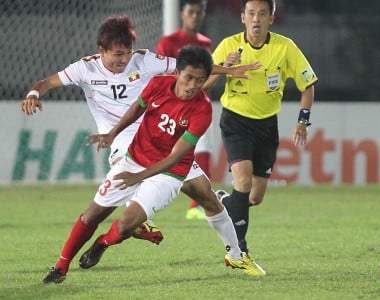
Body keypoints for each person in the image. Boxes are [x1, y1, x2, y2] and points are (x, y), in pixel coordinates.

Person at [21, 16, 259, 247]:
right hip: (122, 138)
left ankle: (235, 252)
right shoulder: (84, 68)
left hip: (155, 134)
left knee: (204, 193)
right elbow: (47, 83)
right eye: (118, 54)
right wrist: (33, 94)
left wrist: (227, 71)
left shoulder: (144, 60)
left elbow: (187, 68)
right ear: (101, 50)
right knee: (126, 175)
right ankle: (134, 219)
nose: (124, 59)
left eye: (128, 52)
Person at [41, 45, 264, 283]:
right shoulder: (158, 84)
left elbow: (176, 157)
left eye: (200, 81)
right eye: (188, 78)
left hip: (169, 173)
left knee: (127, 225)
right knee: (92, 214)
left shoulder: (202, 110)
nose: (192, 86)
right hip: (134, 159)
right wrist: (113, 133)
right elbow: (137, 107)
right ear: (177, 73)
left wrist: (139, 178)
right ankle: (60, 268)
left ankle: (103, 242)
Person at [204, 0, 318, 255]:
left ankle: (223, 202)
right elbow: (204, 84)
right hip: (235, 121)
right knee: (242, 181)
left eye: (262, 14)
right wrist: (225, 68)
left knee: (253, 197)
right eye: (251, 14)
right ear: (243, 17)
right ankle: (238, 250)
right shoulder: (229, 46)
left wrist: (303, 121)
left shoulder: (284, 47)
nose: (256, 19)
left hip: (267, 126)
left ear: (271, 19)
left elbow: (307, 85)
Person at [156, 0, 214, 221]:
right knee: (165, 154)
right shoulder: (169, 42)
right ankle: (146, 200)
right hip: (175, 108)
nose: (195, 16)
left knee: (204, 149)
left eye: (199, 13)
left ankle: (196, 206)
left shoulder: (206, 43)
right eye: (191, 12)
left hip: (199, 106)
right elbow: (161, 75)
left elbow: (206, 80)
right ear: (182, 14)